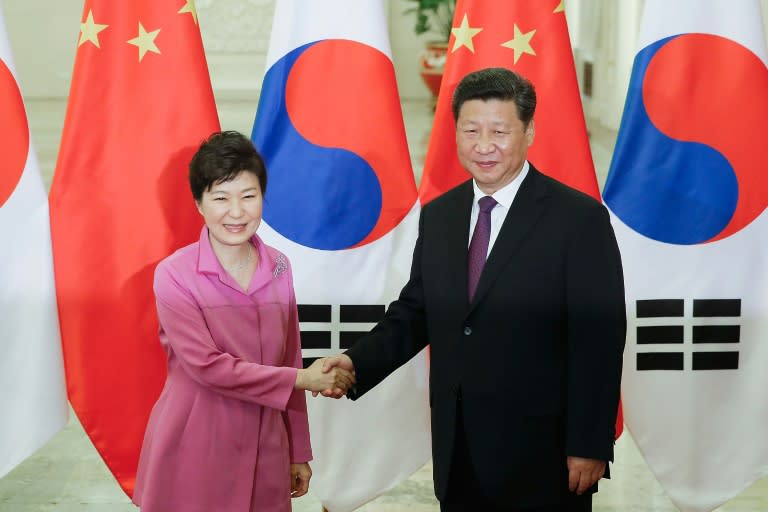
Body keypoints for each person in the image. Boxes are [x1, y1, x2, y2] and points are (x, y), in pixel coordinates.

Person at [321, 68, 626, 511]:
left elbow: (599, 340)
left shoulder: (578, 220)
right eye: (471, 131)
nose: (484, 146)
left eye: (500, 131)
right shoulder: (441, 215)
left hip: (543, 454)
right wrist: (353, 362)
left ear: (529, 132)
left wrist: (589, 443)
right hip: (458, 447)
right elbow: (416, 312)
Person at [132, 131, 354, 512]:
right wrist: (304, 378)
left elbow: (290, 355)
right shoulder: (174, 275)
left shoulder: (280, 266)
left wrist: (298, 448)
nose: (236, 212)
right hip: (196, 440)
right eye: (220, 198)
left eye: (248, 196)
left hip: (266, 442)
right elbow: (207, 367)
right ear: (198, 204)